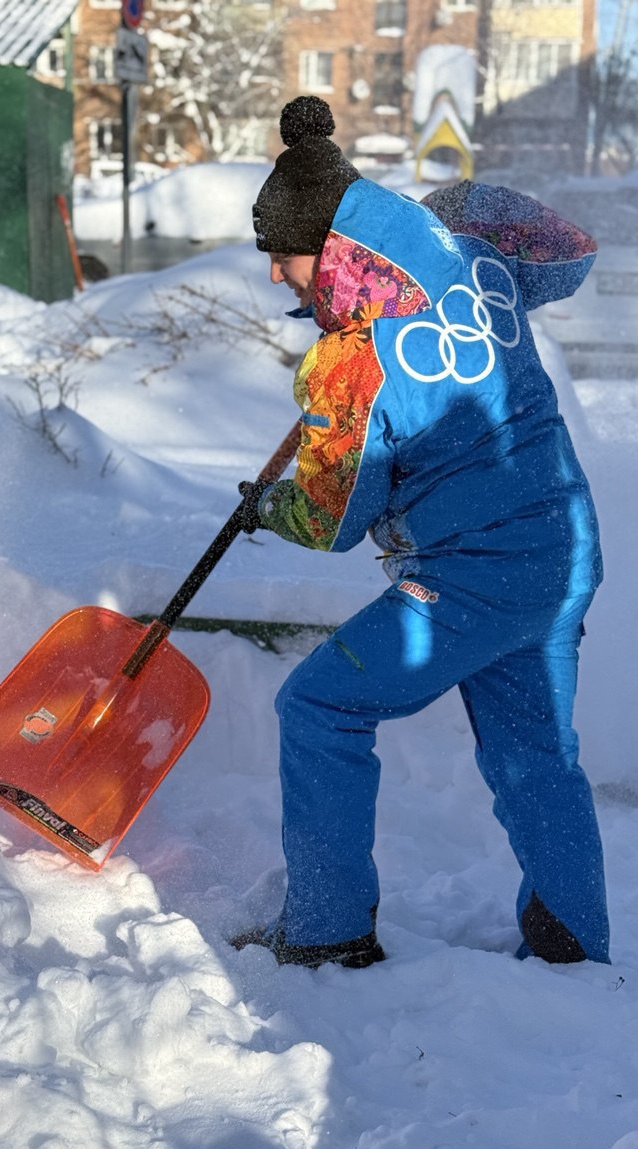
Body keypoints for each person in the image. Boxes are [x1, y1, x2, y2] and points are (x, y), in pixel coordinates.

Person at [231, 95, 609, 970]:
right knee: (538, 755)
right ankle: (572, 945)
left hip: (474, 575)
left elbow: (332, 518)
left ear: (329, 256)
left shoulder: (355, 362)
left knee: (319, 707)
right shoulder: (472, 259)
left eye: (282, 259)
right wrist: (450, 219)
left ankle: (326, 935)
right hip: (562, 547)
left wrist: (268, 506)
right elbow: (569, 252)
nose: (276, 278)